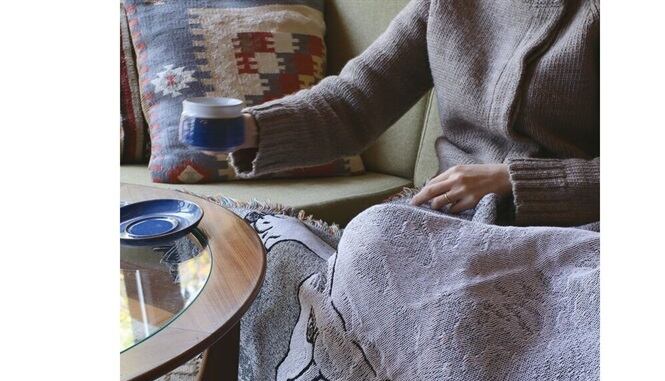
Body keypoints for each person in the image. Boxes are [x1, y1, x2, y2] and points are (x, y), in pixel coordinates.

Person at [229, 0, 599, 227]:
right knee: (264, 245)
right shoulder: (444, 5)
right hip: (448, 218)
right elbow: (353, 101)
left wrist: (511, 180)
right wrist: (250, 128)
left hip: (568, 230)